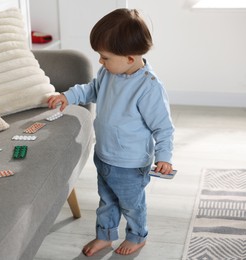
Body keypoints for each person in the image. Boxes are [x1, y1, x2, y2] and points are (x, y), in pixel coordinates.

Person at [48, 8, 175, 257]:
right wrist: (68, 96)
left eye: (105, 57)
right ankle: (104, 236)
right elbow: (91, 90)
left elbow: (163, 127)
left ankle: (137, 236)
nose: (100, 62)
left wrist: (164, 157)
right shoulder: (108, 73)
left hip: (130, 164)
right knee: (106, 201)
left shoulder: (148, 88)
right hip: (105, 155)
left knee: (132, 205)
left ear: (129, 58)